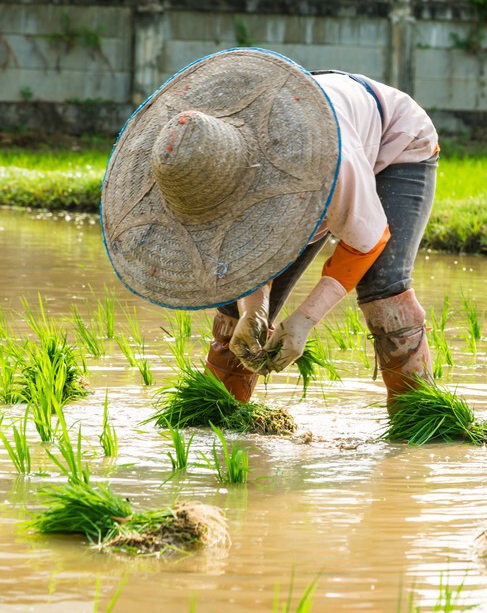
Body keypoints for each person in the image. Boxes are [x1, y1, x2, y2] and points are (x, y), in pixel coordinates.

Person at [100, 48, 438, 409]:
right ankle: (220, 419)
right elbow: (247, 247)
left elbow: (368, 240)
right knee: (236, 306)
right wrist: (253, 310)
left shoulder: (331, 161)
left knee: (382, 287)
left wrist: (305, 320)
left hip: (396, 141)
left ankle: (417, 421)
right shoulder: (214, 161)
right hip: (275, 150)